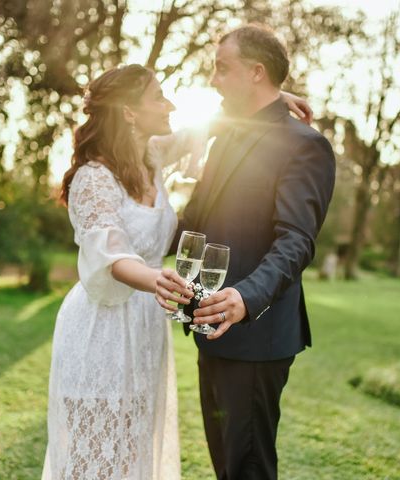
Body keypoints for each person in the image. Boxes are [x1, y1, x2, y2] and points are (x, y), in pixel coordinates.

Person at [42, 64, 312, 479]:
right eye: (158, 97)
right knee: (97, 451)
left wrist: (276, 103)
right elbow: (109, 254)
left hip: (146, 326)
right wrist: (158, 280)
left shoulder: (151, 156)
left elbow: (210, 125)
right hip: (101, 326)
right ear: (130, 112)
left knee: (134, 446)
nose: (169, 105)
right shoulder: (93, 178)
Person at [156, 25, 336, 480]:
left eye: (223, 68)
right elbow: (193, 221)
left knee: (248, 468)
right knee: (226, 466)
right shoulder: (227, 135)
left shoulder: (304, 146)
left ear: (256, 72)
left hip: (256, 337)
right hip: (209, 326)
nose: (214, 79)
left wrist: (245, 297)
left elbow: (295, 241)